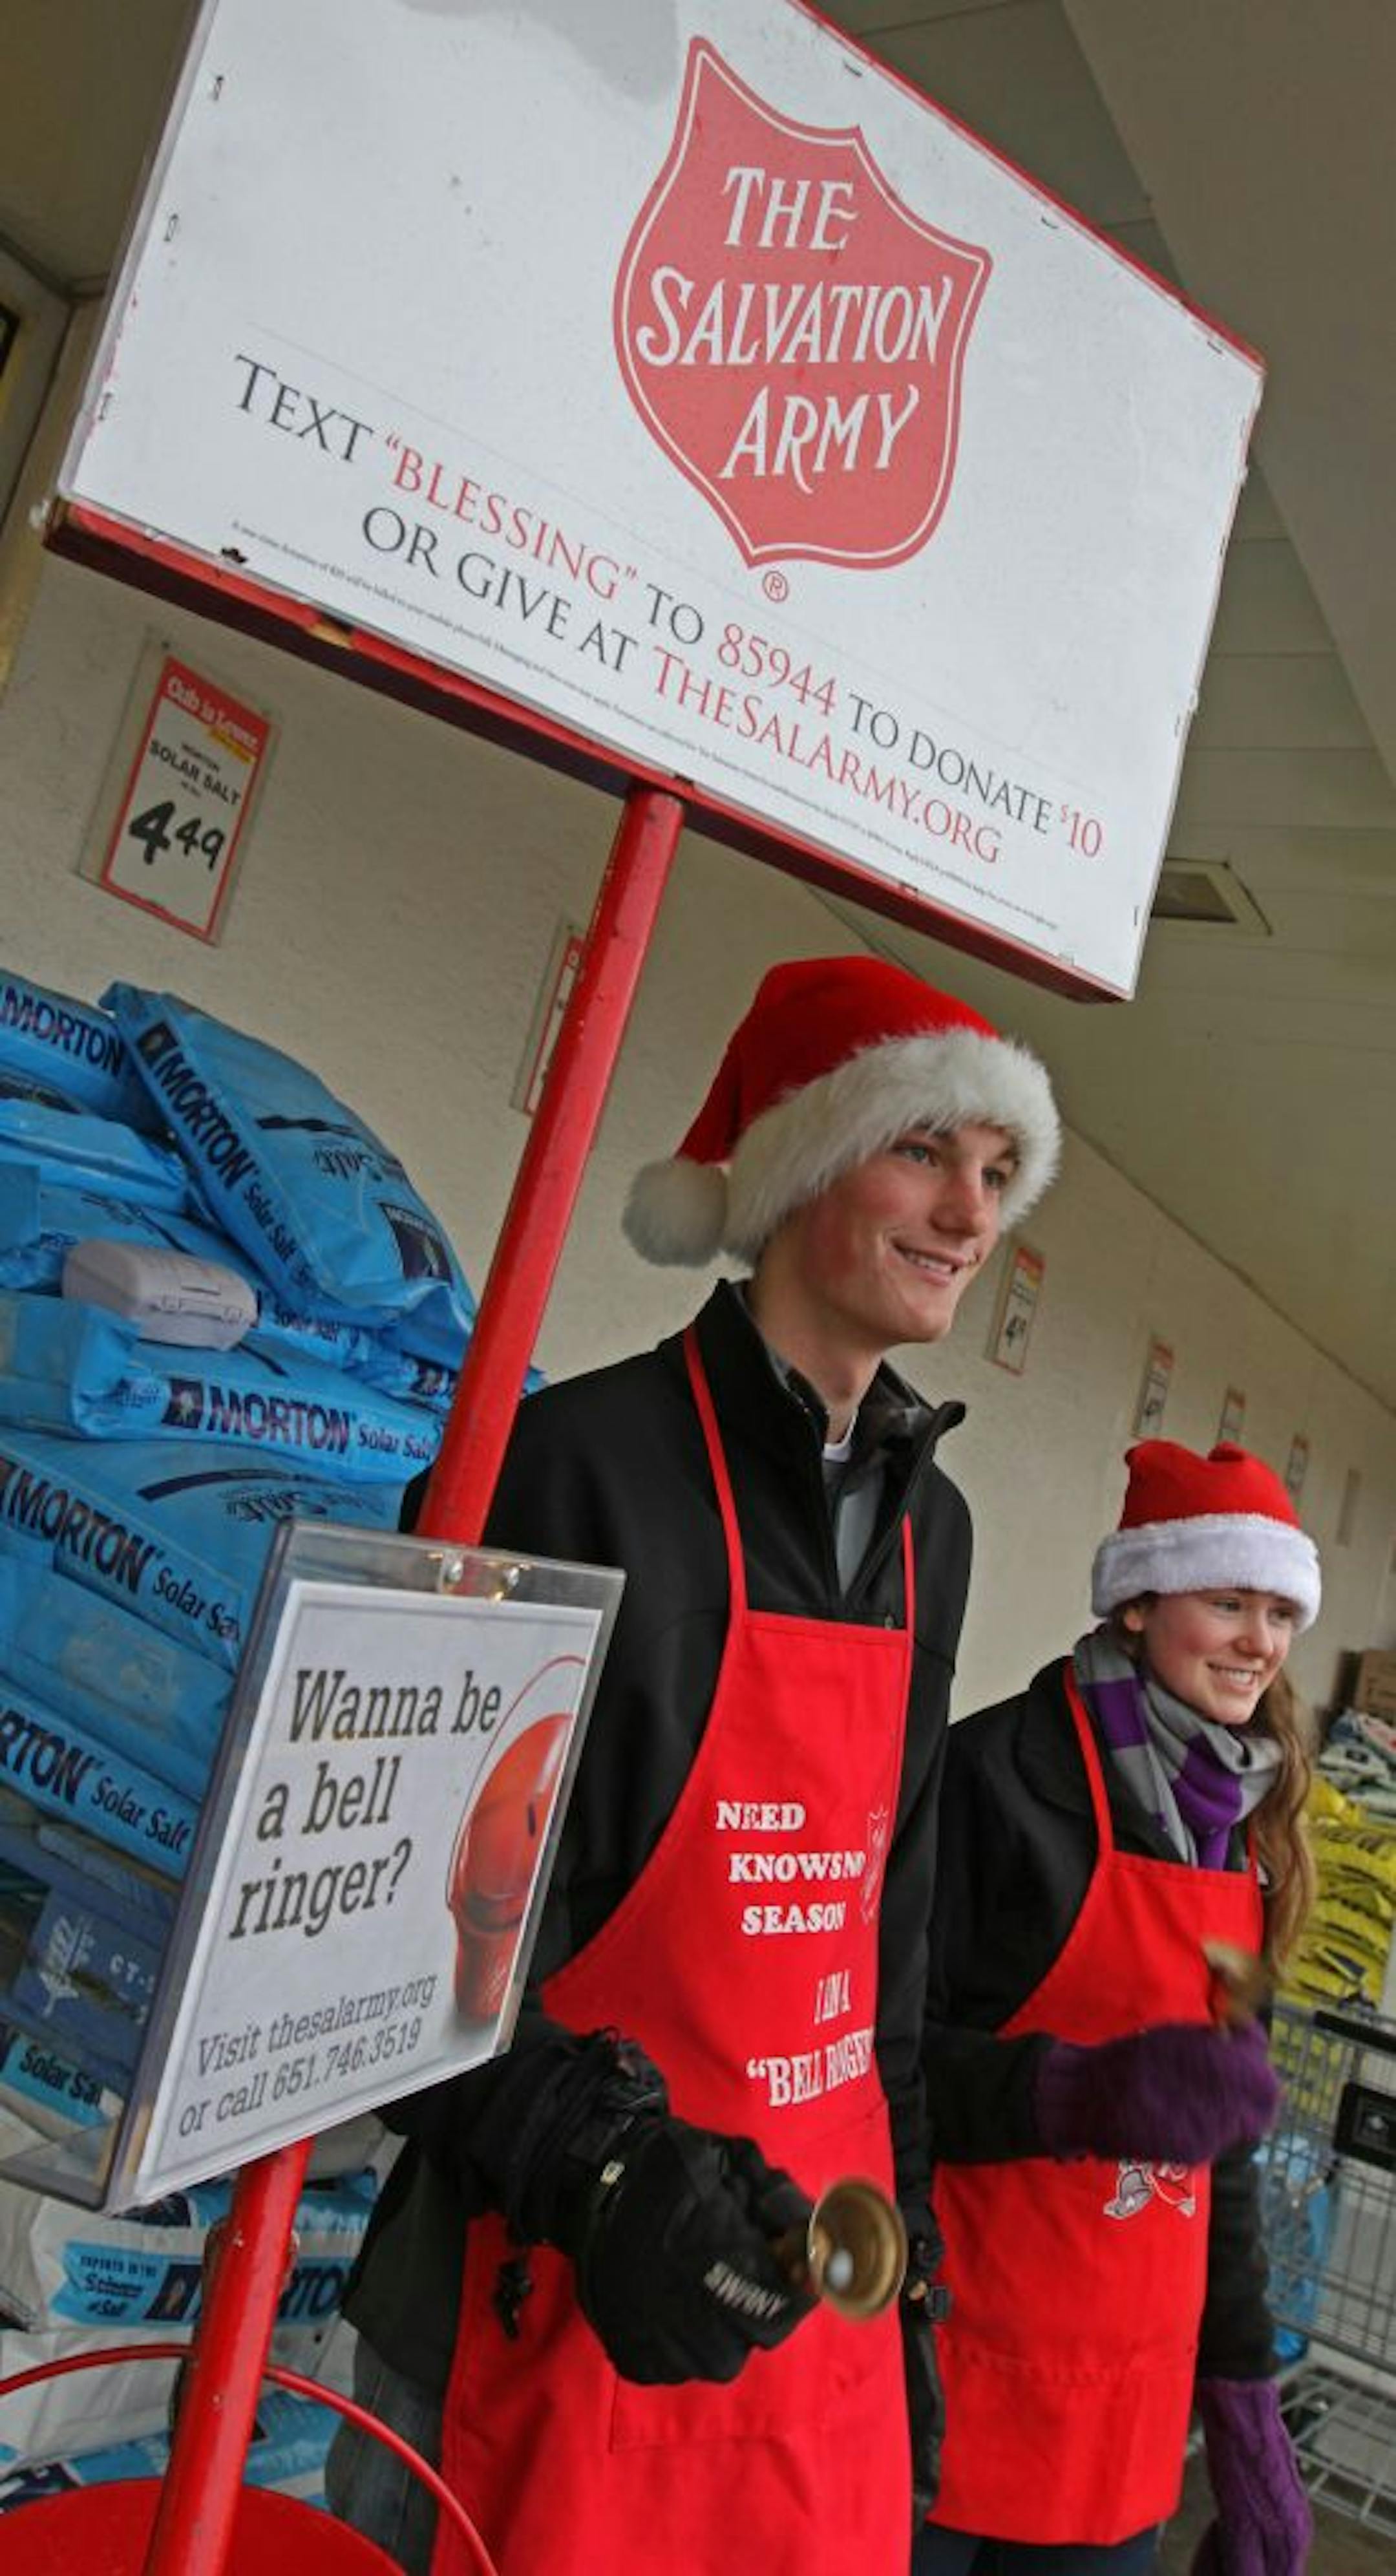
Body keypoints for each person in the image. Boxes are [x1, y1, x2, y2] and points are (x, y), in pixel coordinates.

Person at [327, 952, 1061, 2576]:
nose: (968, 1213)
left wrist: (917, 2293)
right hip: (544, 2316)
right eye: (924, 1150)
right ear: (805, 1154)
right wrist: (593, 2163)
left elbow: (890, 1956)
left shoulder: (934, 1532)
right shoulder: (564, 1468)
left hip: (815, 2341)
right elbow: (387, 1938)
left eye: (997, 1173)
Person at [915, 1439, 1320, 2576]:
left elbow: (1224, 2149)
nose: (1261, 1643)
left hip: (1124, 2421)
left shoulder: (1253, 1830)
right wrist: (1070, 2091)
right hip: (944, 2373)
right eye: (1227, 1601)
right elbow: (878, 2058)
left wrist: (1244, 2413)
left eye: (1280, 1611)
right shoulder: (997, 1775)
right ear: (1137, 1600)